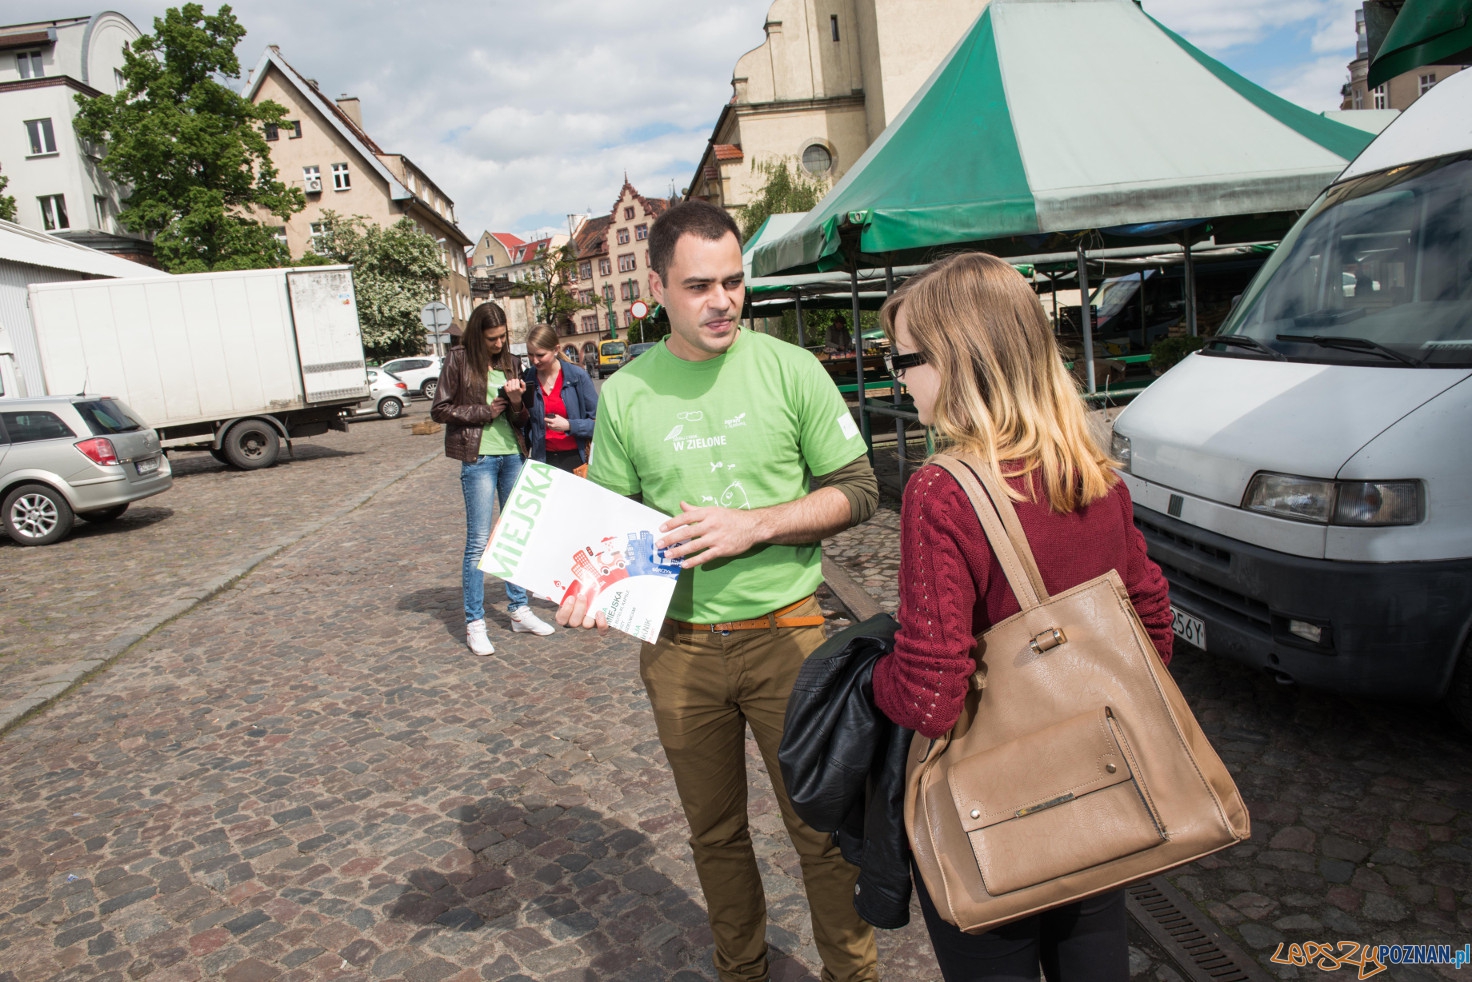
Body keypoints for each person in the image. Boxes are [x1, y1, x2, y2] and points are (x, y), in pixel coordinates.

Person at [560, 201, 882, 982]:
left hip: (793, 639)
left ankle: (854, 974)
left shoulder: (789, 369)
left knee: (823, 830)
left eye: (734, 283)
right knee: (715, 834)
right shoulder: (629, 394)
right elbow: (607, 527)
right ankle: (742, 970)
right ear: (659, 288)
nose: (723, 302)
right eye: (701, 285)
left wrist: (759, 524)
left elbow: (861, 489)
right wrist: (589, 587)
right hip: (680, 652)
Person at [869, 252, 1174, 982]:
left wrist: (870, 675)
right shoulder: (1094, 472)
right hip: (1102, 779)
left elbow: (933, 696)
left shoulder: (941, 492)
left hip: (994, 808)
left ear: (958, 362)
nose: (897, 378)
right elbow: (1152, 629)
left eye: (903, 358)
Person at [431, 302, 556, 655]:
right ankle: (475, 622)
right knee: (478, 541)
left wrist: (516, 403)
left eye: (503, 336)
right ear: (478, 335)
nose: (500, 343)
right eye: (493, 338)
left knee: (515, 535)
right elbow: (440, 409)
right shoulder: (458, 359)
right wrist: (484, 411)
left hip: (513, 455)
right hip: (479, 457)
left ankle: (518, 609)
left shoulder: (511, 362)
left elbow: (519, 419)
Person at [521, 323, 598, 473]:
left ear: (556, 349)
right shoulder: (528, 378)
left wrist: (569, 425)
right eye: (530, 354)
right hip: (543, 460)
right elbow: (525, 423)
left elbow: (599, 425)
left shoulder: (577, 377)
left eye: (540, 355)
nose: (534, 360)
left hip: (577, 459)